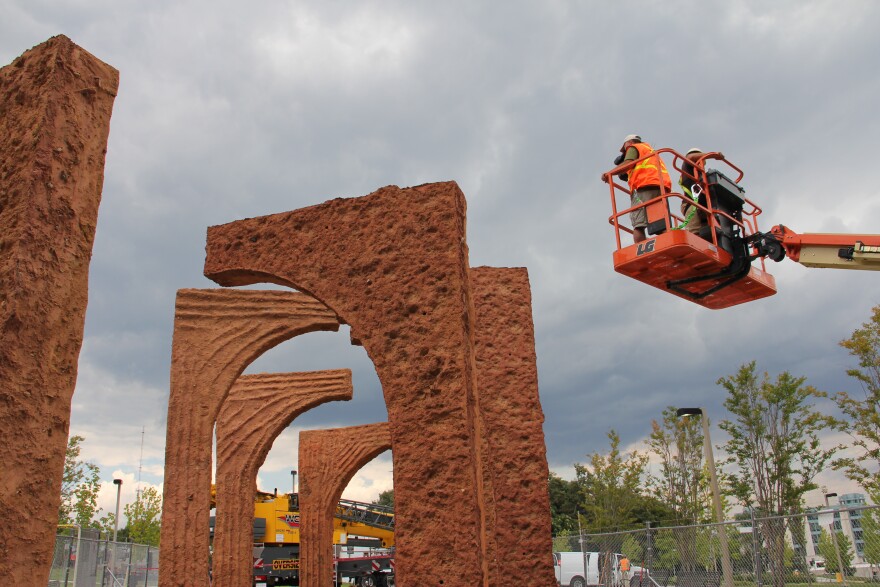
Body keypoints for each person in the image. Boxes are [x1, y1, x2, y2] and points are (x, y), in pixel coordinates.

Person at [617, 134, 671, 243]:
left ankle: (640, 249)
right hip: (659, 187)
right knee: (659, 223)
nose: (625, 152)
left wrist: (609, 173)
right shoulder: (650, 151)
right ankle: (667, 244)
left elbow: (628, 163)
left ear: (629, 143)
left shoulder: (633, 148)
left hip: (643, 187)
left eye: (625, 148)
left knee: (639, 224)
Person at [677, 147, 706, 236]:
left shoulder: (701, 174)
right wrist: (711, 155)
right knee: (694, 234)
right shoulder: (687, 166)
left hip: (701, 206)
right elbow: (690, 157)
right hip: (691, 204)